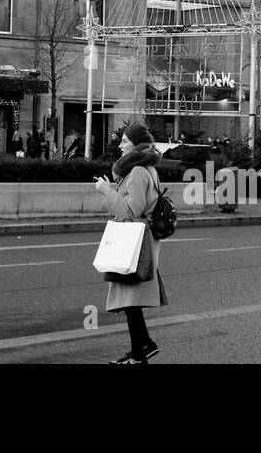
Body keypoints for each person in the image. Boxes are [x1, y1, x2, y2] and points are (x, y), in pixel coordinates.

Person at [94, 122, 168, 364]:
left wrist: (106, 191)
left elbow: (130, 209)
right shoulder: (146, 168)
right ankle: (141, 350)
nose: (120, 145)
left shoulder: (137, 172)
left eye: (125, 141)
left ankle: (143, 347)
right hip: (140, 239)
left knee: (129, 297)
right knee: (129, 299)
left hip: (134, 242)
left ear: (137, 145)